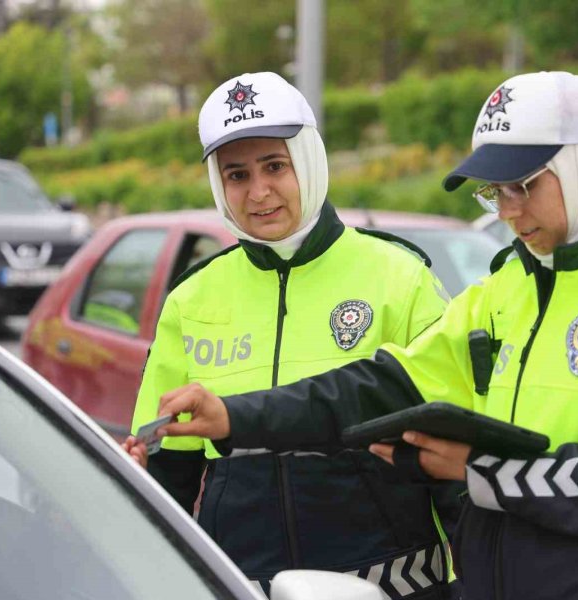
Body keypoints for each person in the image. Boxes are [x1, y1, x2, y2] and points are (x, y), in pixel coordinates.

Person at [151, 72, 578, 600]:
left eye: (524, 185)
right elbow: (386, 384)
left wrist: (479, 471)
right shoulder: (510, 284)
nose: (507, 211)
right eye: (495, 192)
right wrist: (233, 417)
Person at [124, 71, 463, 599]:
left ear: (308, 160)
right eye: (236, 175)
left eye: (275, 166)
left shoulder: (400, 274)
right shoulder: (192, 299)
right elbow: (165, 467)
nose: (259, 193)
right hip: (244, 586)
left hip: (394, 587)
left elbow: (450, 448)